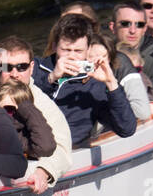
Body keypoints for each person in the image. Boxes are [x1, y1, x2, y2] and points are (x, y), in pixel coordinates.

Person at [34, 13, 136, 146]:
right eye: (65, 50)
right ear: (54, 46)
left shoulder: (95, 85)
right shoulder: (34, 68)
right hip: (28, 150)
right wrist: (51, 78)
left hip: (70, 152)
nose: (71, 56)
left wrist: (111, 84)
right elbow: (21, 102)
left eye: (78, 51)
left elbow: (126, 129)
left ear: (88, 50)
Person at [0, 35, 74, 194]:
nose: (15, 74)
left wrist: (43, 172)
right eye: (7, 67)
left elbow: (63, 150)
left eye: (21, 67)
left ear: (31, 68)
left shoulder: (43, 104)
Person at [111, 2, 153, 108]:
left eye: (139, 25)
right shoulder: (104, 52)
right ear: (113, 27)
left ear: (145, 29)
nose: (133, 30)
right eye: (125, 24)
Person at [86, 33, 153, 123]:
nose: (99, 61)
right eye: (92, 57)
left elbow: (142, 112)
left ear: (110, 58)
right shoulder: (71, 74)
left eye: (104, 56)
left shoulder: (120, 69)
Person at [0, 78, 55, 160]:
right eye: (8, 109)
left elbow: (46, 147)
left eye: (21, 112)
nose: (14, 115)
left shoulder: (24, 136)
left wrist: (27, 108)